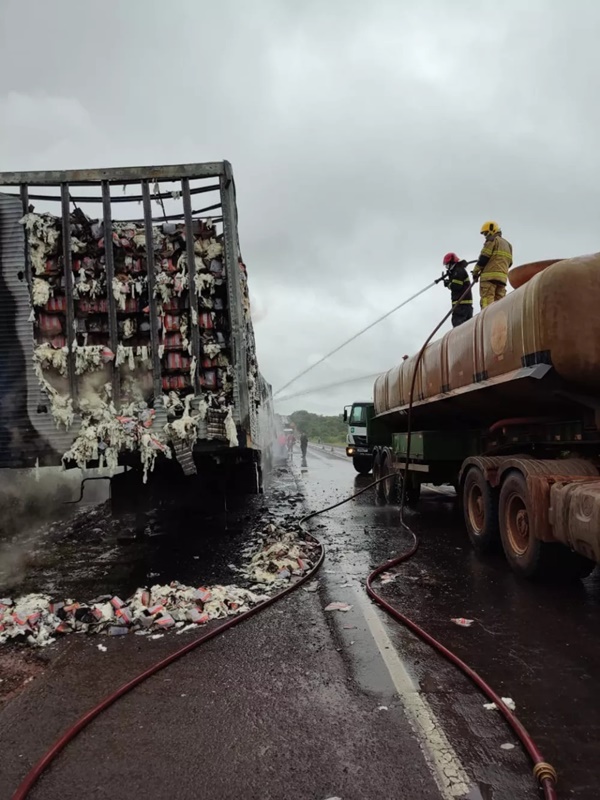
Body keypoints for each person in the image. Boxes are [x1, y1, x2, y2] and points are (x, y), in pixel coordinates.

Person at [473, 221, 513, 309]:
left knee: (487, 303)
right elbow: (510, 263)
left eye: (486, 233)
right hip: (502, 279)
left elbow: (483, 258)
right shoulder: (508, 245)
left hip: (488, 278)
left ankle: (488, 321)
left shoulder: (492, 240)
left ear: (492, 230)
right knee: (500, 304)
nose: (486, 236)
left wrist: (475, 272)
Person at [441, 252, 473, 327]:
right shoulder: (458, 270)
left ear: (451, 262)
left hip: (461, 305)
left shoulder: (458, 271)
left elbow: (456, 286)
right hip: (465, 305)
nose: (447, 267)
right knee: (467, 328)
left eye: (447, 265)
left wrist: (448, 284)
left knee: (458, 328)